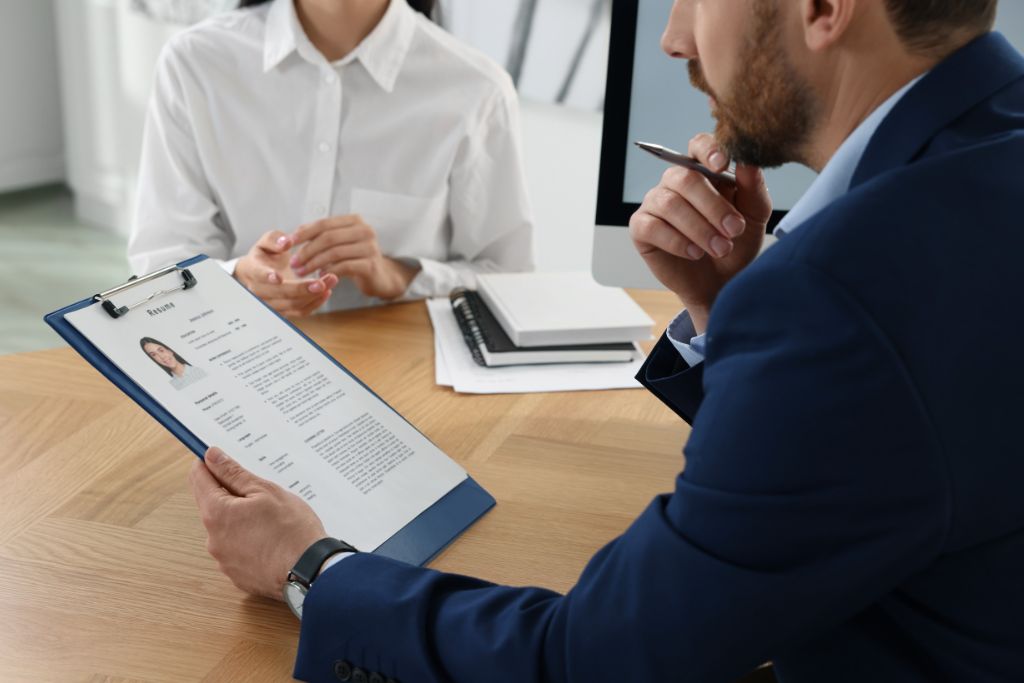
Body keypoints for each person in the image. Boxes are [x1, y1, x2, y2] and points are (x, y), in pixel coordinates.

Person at [188, 0, 1024, 680]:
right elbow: (890, 448)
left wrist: (312, 567)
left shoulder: (839, 292)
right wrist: (728, 304)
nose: (672, 37)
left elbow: (592, 658)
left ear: (824, 8)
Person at [129, 0, 534, 318]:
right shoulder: (196, 63)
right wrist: (238, 278)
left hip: (403, 376)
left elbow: (509, 282)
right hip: (238, 364)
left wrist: (399, 275)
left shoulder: (476, 90)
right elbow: (161, 266)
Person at [139, 337, 208, 390]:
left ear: (170, 351)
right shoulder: (172, 385)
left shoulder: (199, 371)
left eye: (161, 350)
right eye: (154, 355)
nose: (162, 357)